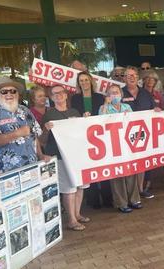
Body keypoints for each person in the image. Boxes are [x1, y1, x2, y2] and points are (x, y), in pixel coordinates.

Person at [39, 85, 90, 230]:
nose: (59, 95)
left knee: (80, 185)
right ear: (51, 97)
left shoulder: (74, 112)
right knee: (69, 188)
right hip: (60, 155)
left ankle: (78, 214)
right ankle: (72, 220)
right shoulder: (48, 115)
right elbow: (42, 140)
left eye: (61, 93)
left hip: (77, 154)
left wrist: (86, 120)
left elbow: (82, 132)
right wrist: (46, 129)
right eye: (55, 94)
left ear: (66, 95)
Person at [0, 77, 42, 173]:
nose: (9, 94)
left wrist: (41, 156)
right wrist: (17, 133)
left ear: (17, 94)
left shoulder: (26, 110)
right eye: (4, 92)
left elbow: (35, 136)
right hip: (7, 172)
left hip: (32, 167)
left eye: (13, 91)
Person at [70, 71, 111, 209]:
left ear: (91, 81)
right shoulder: (74, 98)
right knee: (89, 167)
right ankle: (93, 200)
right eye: (81, 80)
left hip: (100, 136)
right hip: (83, 136)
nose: (84, 83)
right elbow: (73, 115)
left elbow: (105, 114)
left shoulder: (100, 97)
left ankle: (107, 198)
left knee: (103, 167)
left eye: (86, 80)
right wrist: (81, 116)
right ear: (78, 83)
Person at [99, 84, 143, 213]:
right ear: (107, 96)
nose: (115, 95)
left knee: (130, 171)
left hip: (127, 143)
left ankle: (134, 199)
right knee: (117, 174)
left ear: (121, 94)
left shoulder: (127, 107)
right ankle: (121, 202)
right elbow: (101, 121)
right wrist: (106, 105)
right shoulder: (103, 108)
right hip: (113, 145)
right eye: (111, 93)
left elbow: (133, 122)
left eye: (117, 92)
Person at [122, 66, 159, 199]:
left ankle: (140, 189)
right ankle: (131, 192)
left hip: (144, 133)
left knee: (142, 163)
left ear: (137, 78)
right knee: (129, 163)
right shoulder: (120, 93)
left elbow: (153, 108)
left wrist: (157, 110)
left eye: (134, 75)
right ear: (124, 78)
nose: (131, 77)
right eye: (128, 75)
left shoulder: (145, 93)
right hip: (125, 135)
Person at [141, 71, 164, 191]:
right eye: (148, 78)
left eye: (153, 79)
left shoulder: (158, 95)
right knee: (148, 157)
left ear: (156, 82)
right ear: (144, 80)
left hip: (158, 130)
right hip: (145, 129)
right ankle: (147, 182)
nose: (150, 81)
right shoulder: (140, 93)